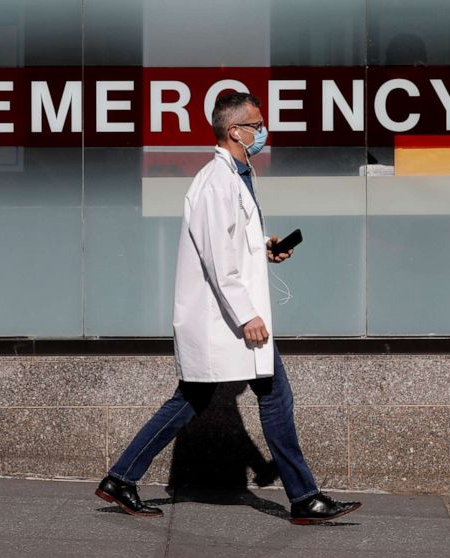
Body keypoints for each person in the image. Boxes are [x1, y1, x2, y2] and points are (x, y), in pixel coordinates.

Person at [95, 92, 361, 525]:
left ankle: (121, 478)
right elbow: (219, 259)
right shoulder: (216, 183)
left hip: (230, 318)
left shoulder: (237, 175)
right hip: (227, 319)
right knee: (267, 397)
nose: (263, 133)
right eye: (257, 125)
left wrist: (265, 247)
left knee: (198, 399)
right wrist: (247, 315)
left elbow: (233, 243)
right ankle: (304, 498)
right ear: (234, 131)